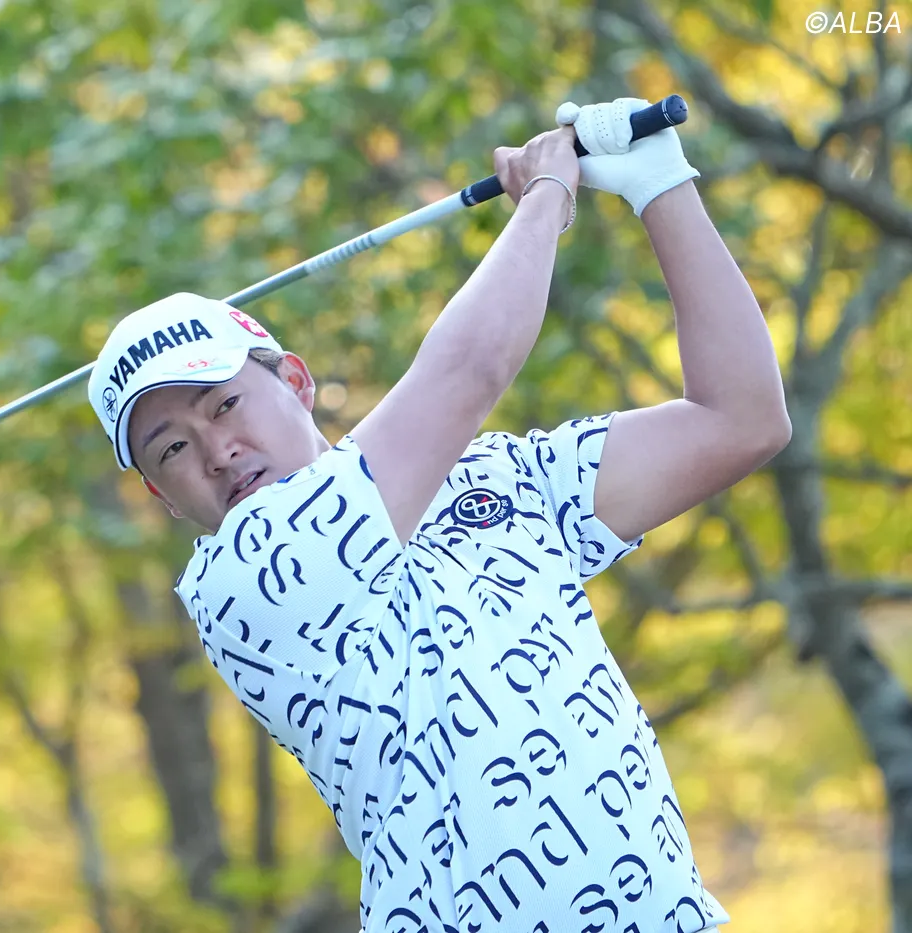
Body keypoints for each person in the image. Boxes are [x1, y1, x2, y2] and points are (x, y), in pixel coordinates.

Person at [87, 97, 790, 933]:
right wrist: (547, 194)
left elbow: (741, 419)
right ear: (163, 497)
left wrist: (660, 185)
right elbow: (470, 369)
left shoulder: (493, 475)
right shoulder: (243, 580)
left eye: (225, 402)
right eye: (171, 447)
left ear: (297, 382)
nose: (215, 450)